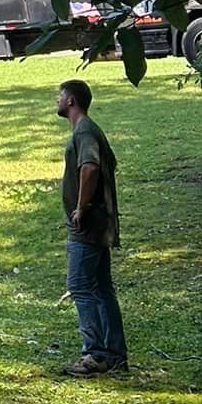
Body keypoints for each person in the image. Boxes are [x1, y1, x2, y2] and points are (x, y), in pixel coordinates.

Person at [56, 77, 128, 375]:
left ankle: (95, 354)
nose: (57, 101)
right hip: (98, 221)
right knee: (101, 288)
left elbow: (90, 167)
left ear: (71, 100)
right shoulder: (87, 129)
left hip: (87, 223)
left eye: (59, 96)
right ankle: (114, 354)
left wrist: (81, 207)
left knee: (80, 287)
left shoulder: (84, 131)